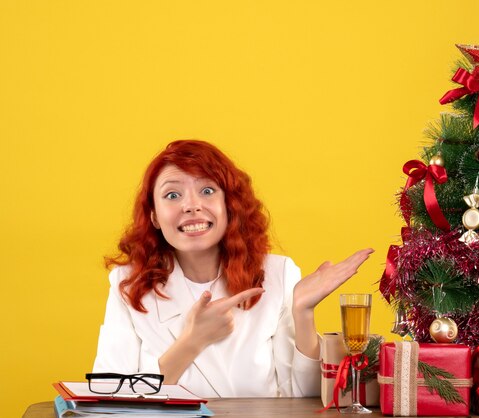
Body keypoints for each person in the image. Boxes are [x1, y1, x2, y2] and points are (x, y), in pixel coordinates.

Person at [93, 139, 373, 398]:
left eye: (207, 190)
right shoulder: (128, 283)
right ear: (154, 215)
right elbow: (108, 398)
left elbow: (305, 399)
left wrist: (303, 312)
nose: (191, 206)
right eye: (173, 194)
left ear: (229, 205)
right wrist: (192, 341)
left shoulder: (278, 274)